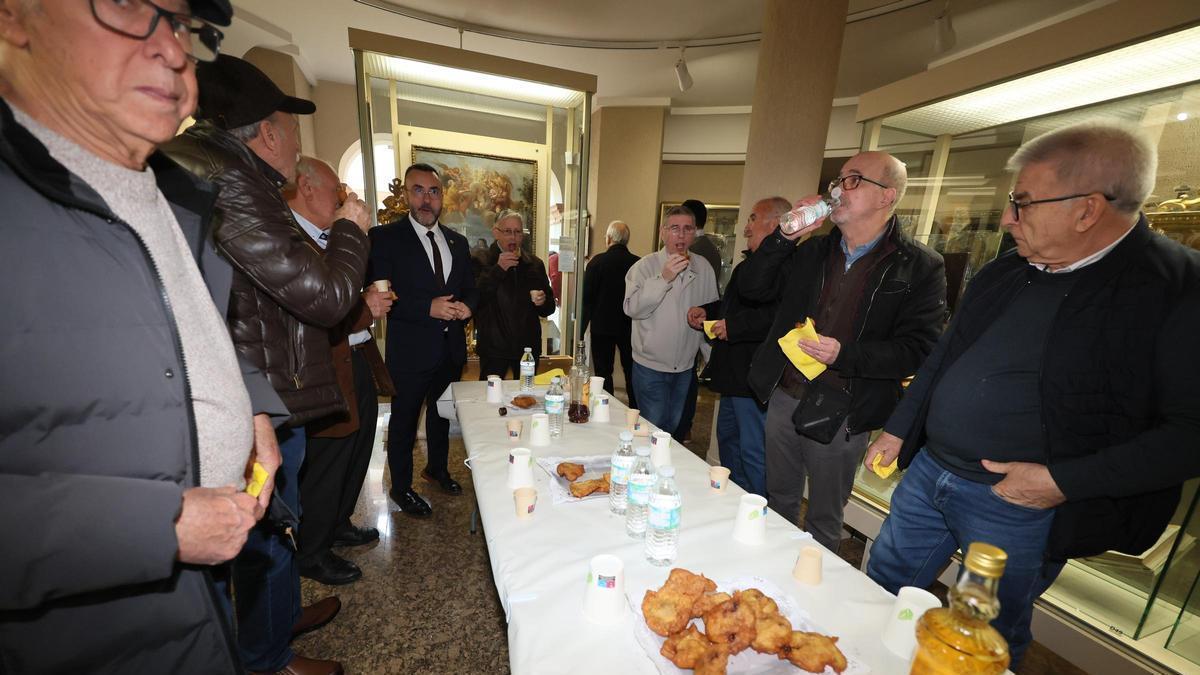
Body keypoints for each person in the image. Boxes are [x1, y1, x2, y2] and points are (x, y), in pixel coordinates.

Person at [0, 1, 289, 672]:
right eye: (129, 4)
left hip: (194, 616)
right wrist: (155, 527)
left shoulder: (180, 196)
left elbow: (190, 327)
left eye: (182, 22)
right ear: (15, 16)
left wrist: (251, 406)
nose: (174, 49)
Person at [864, 121, 1200, 668]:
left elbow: (1189, 435)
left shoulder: (1177, 289)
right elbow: (945, 355)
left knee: (984, 637)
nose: (1006, 219)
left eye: (1022, 203)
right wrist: (901, 427)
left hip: (1018, 503)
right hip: (930, 474)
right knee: (883, 591)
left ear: (1087, 210)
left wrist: (1059, 482)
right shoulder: (1006, 270)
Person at [165, 55, 370, 675]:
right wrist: (351, 231)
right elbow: (327, 295)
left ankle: (274, 621)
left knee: (275, 529)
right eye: (294, 126)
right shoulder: (231, 181)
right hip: (252, 393)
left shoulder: (228, 175)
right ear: (269, 131)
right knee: (263, 531)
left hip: (264, 387)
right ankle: (268, 656)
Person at [738, 151, 945, 553]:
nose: (837, 189)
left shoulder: (919, 266)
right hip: (785, 396)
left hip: (845, 410)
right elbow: (752, 288)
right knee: (777, 503)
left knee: (823, 519)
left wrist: (845, 355)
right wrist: (783, 238)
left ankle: (812, 603)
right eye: (838, 180)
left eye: (853, 180)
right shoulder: (811, 251)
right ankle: (770, 588)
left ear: (887, 196)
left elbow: (918, 350)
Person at [287, 156, 396, 586]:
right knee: (328, 460)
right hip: (324, 371)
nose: (345, 197)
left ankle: (338, 524)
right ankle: (313, 551)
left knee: (356, 449)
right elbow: (314, 313)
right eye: (338, 190)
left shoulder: (328, 237)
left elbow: (340, 297)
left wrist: (365, 300)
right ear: (307, 188)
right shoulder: (293, 242)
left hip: (356, 361)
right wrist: (364, 310)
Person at [369, 163, 478, 515]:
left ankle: (437, 470)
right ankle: (401, 489)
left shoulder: (457, 242)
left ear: (442, 197)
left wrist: (466, 307)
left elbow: (471, 290)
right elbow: (382, 298)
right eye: (418, 190)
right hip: (410, 351)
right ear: (406, 195)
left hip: (449, 351)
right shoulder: (384, 238)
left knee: (441, 415)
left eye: (433, 191)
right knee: (403, 423)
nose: (426, 199)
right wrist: (426, 308)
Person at [688, 197, 792, 497]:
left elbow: (779, 318)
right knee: (729, 443)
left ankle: (755, 511)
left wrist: (733, 327)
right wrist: (708, 310)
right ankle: (732, 501)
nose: (745, 227)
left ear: (775, 224)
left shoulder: (789, 267)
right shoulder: (751, 264)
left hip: (755, 379)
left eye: (752, 218)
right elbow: (735, 306)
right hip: (734, 377)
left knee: (752, 452)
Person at [624, 204, 719, 435]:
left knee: (674, 430)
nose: (681, 235)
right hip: (650, 366)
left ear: (695, 233)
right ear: (663, 232)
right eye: (674, 228)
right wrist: (664, 278)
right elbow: (632, 308)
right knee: (652, 429)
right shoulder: (644, 267)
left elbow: (710, 313)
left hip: (685, 367)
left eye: (688, 229)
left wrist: (712, 359)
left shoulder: (703, 267)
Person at [474, 210, 555, 378]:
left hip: (527, 348)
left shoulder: (534, 263)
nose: (513, 237)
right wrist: (498, 270)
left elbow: (549, 308)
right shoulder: (481, 260)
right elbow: (476, 299)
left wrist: (542, 301)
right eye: (508, 231)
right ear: (496, 232)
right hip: (494, 348)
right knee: (491, 400)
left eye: (518, 232)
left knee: (527, 398)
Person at [582, 220, 640, 407]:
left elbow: (587, 300)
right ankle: (636, 408)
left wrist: (581, 330)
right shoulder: (638, 264)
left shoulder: (596, 263)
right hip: (629, 326)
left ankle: (605, 407)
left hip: (602, 326)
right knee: (631, 370)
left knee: (603, 371)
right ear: (626, 240)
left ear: (608, 239)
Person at [676, 198, 720, 442]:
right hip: (700, 320)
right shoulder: (711, 248)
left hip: (695, 323)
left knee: (687, 378)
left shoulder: (698, 253)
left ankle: (684, 428)